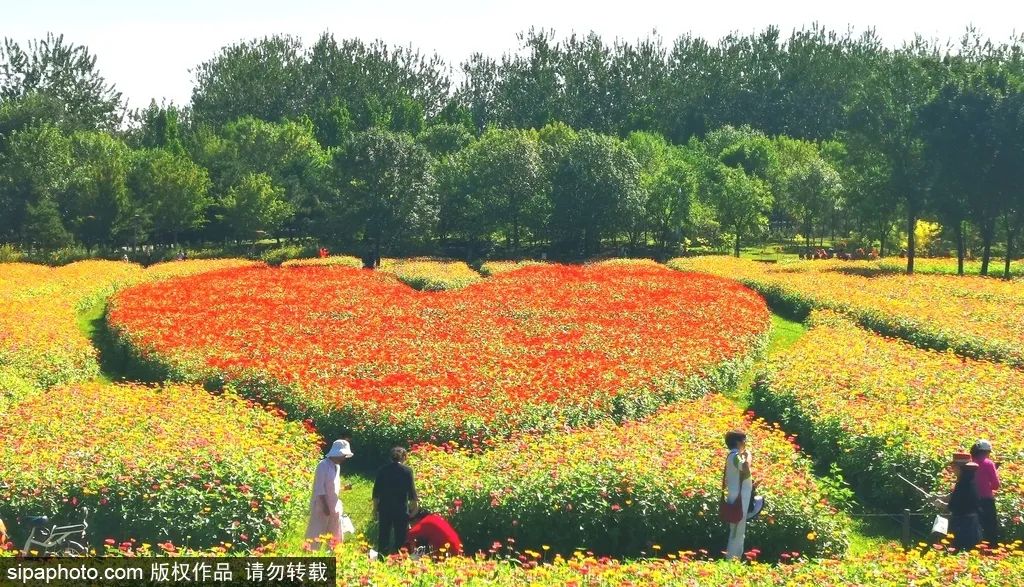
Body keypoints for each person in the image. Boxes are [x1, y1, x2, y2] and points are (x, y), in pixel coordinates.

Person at [304, 439, 355, 549]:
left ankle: (334, 554)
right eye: (343, 455)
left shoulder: (336, 466)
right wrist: (325, 507)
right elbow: (319, 488)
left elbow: (331, 487)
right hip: (321, 505)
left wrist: (343, 488)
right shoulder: (323, 465)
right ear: (338, 453)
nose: (344, 458)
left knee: (335, 532)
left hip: (334, 505)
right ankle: (310, 552)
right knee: (316, 531)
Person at [373, 447, 419, 555]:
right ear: (404, 457)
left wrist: (375, 509)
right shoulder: (407, 471)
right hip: (400, 508)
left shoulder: (382, 470)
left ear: (390, 457)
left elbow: (376, 492)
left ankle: (381, 558)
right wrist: (415, 507)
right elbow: (412, 491)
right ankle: (399, 559)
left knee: (383, 535)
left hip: (385, 508)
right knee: (401, 537)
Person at [935, 452, 983, 552]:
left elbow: (954, 506)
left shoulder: (963, 484)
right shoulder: (970, 481)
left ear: (960, 468)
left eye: (954, 466)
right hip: (972, 523)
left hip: (963, 525)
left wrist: (940, 504)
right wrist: (941, 497)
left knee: (960, 552)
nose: (952, 469)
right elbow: (955, 497)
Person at [723, 429, 754, 560]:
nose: (745, 443)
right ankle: (732, 559)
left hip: (738, 495)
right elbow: (745, 468)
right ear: (738, 442)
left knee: (738, 529)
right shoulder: (735, 456)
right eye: (744, 440)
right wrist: (748, 456)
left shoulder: (733, 456)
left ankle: (735, 558)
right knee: (737, 530)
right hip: (739, 498)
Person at [971, 440, 1001, 546]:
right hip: (986, 500)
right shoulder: (989, 463)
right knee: (990, 527)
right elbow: (996, 485)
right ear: (987, 452)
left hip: (971, 500)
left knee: (974, 525)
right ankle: (991, 549)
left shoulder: (969, 463)